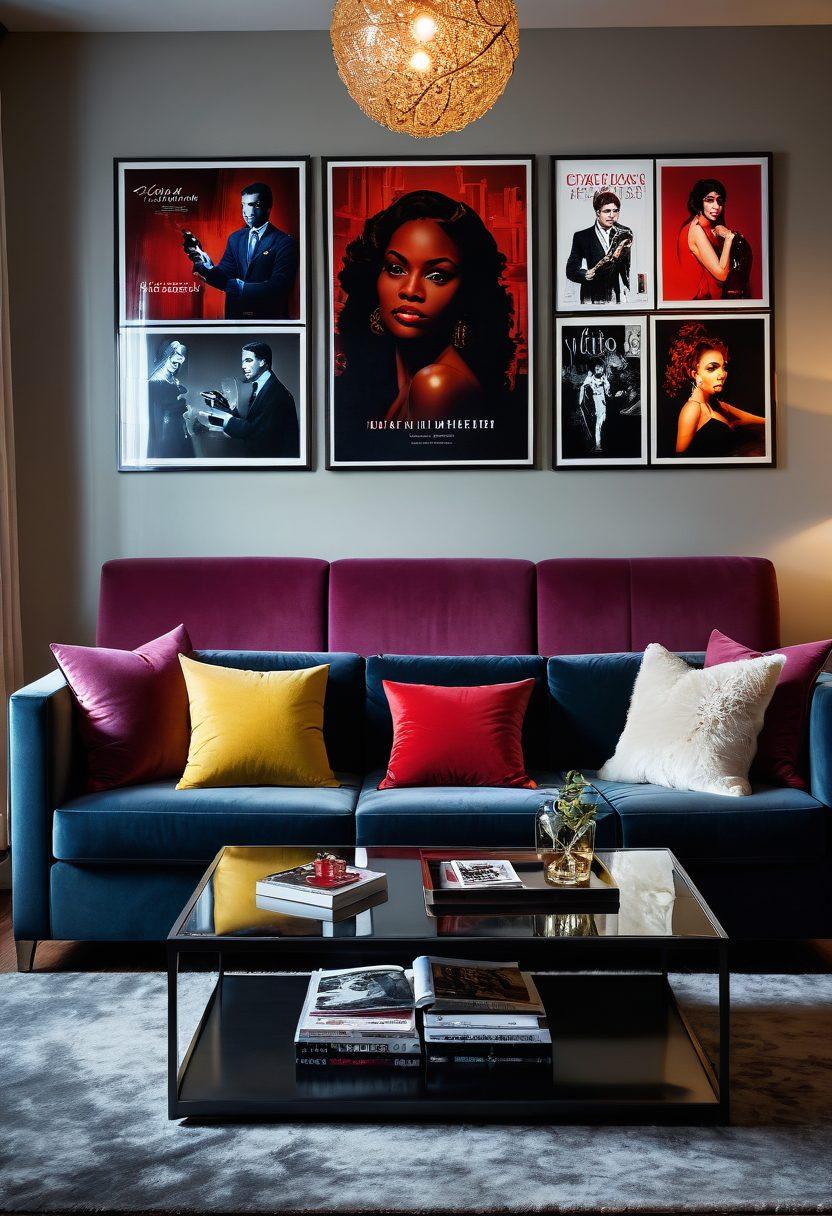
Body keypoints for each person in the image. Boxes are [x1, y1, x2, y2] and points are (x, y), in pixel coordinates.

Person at [335, 189, 516, 429]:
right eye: (396, 269)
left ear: (467, 290)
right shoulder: (404, 379)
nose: (410, 290)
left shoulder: (438, 384)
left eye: (437, 275)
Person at [185, 182, 299, 320]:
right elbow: (224, 277)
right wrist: (206, 265)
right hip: (235, 319)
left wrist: (240, 288)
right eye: (243, 205)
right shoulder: (235, 238)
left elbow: (280, 286)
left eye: (253, 205)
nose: (246, 211)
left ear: (268, 207)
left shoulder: (285, 242)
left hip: (269, 321)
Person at [663, 322, 765, 458]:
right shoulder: (692, 409)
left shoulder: (716, 405)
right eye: (712, 368)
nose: (722, 374)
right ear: (695, 374)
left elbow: (756, 420)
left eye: (723, 367)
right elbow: (680, 459)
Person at [192, 341, 299, 458]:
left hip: (276, 468)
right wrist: (223, 407)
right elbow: (253, 421)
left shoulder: (277, 394)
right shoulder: (260, 387)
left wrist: (220, 419)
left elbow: (253, 431)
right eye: (243, 361)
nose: (243, 366)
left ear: (263, 361)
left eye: (248, 360)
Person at [675, 178, 752, 301]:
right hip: (702, 305)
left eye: (719, 201)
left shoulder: (710, 227)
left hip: (715, 302)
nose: (716, 206)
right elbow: (721, 275)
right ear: (699, 202)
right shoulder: (696, 230)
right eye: (710, 200)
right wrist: (728, 238)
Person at [565, 190, 632, 305]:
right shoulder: (582, 237)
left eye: (615, 211)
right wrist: (584, 274)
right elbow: (571, 270)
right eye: (607, 211)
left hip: (616, 297)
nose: (612, 215)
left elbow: (627, 267)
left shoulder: (625, 233)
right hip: (590, 298)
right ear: (597, 212)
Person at [147, 340, 192, 460]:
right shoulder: (154, 383)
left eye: (181, 359)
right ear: (166, 354)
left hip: (180, 435)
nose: (178, 362)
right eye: (175, 354)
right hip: (165, 438)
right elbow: (153, 418)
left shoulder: (175, 382)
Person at [578, 362, 610, 451]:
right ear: (593, 370)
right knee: (598, 423)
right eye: (597, 369)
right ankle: (598, 445)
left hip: (603, 401)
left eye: (601, 368)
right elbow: (583, 386)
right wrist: (582, 401)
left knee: (603, 421)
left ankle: (600, 444)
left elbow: (607, 388)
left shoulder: (604, 377)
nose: (600, 370)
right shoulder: (590, 379)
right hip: (595, 402)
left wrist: (608, 392)